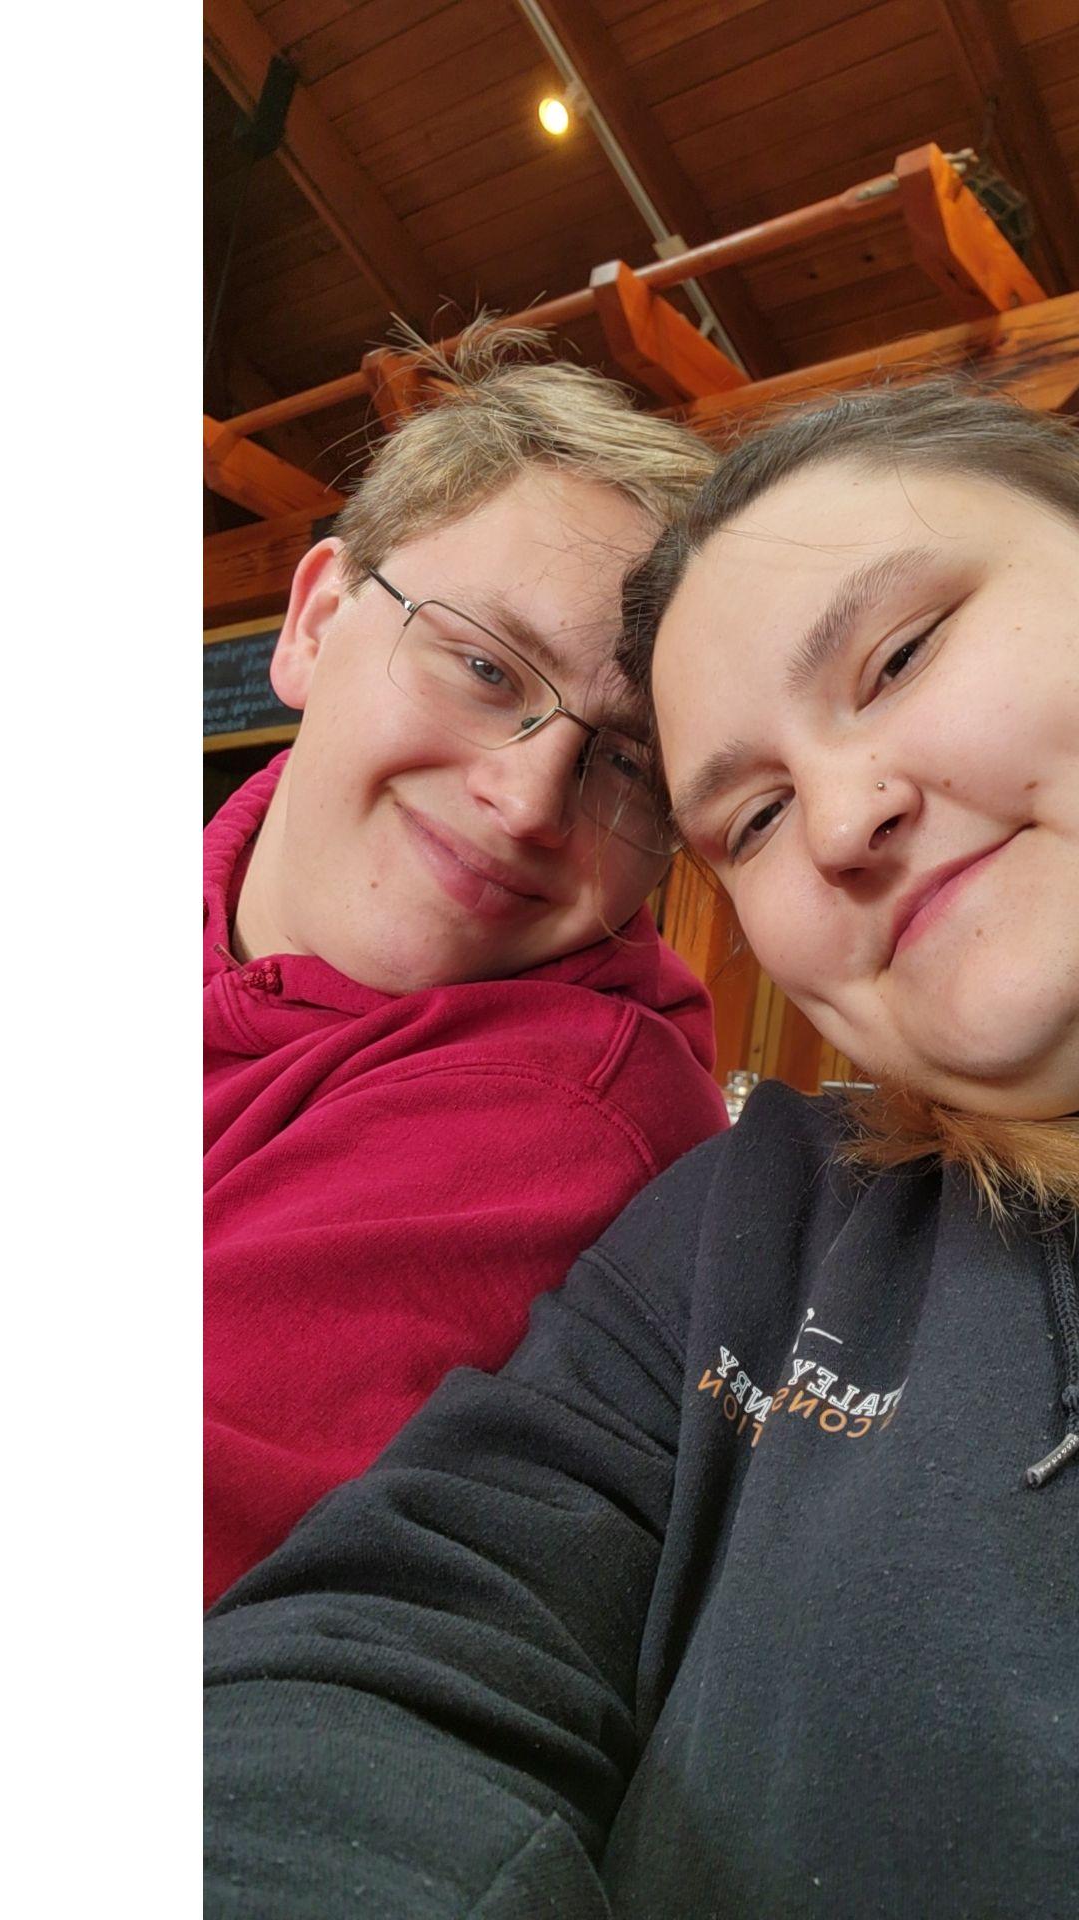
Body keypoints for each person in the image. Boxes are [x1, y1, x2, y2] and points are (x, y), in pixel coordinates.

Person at [204, 379, 1079, 1915]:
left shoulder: (571, 1118)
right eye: (755, 816)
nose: (840, 821)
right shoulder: (745, 1230)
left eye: (900, 654)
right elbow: (399, 1639)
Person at [203, 328, 730, 1605]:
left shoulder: (570, 1106)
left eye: (627, 763)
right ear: (316, 622)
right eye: (486, 666)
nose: (527, 800)